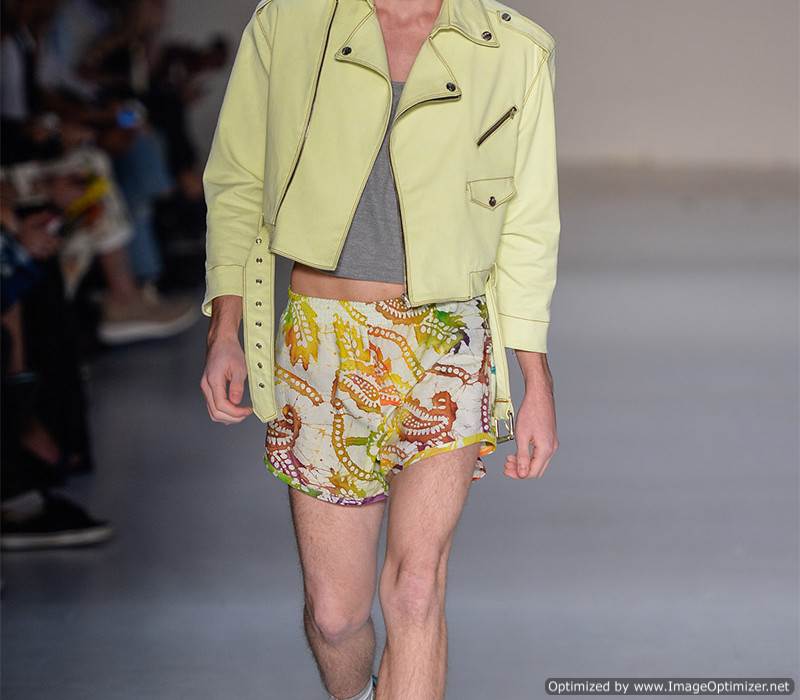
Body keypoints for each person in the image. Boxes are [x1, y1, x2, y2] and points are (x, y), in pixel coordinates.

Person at [200, 0, 561, 697]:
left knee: (417, 587)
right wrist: (226, 327)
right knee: (336, 616)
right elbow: (238, 178)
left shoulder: (514, 49)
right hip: (321, 341)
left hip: (448, 339)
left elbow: (528, 223)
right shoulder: (290, 23)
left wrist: (534, 377)